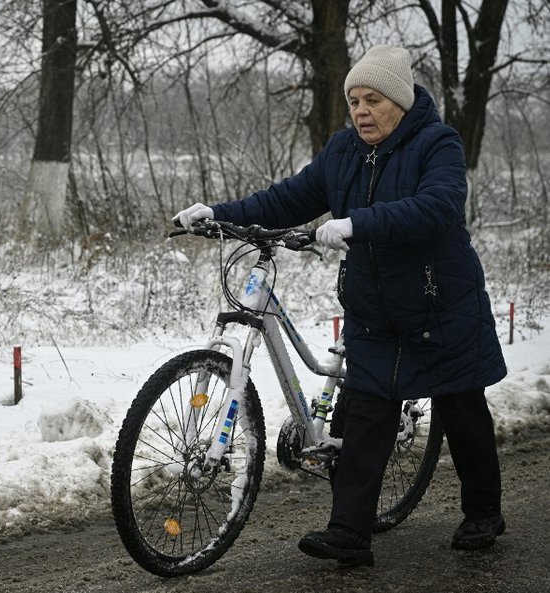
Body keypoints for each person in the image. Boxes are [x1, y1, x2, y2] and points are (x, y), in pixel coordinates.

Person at [174, 45, 507, 567]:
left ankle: (484, 511)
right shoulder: (343, 151)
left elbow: (439, 206)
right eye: (354, 100)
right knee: (369, 414)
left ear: (399, 102)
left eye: (373, 99)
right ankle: (349, 532)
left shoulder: (436, 144)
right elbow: (287, 199)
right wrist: (218, 213)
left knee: (461, 408)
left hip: (439, 306)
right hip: (374, 309)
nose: (361, 111)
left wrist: (358, 223)